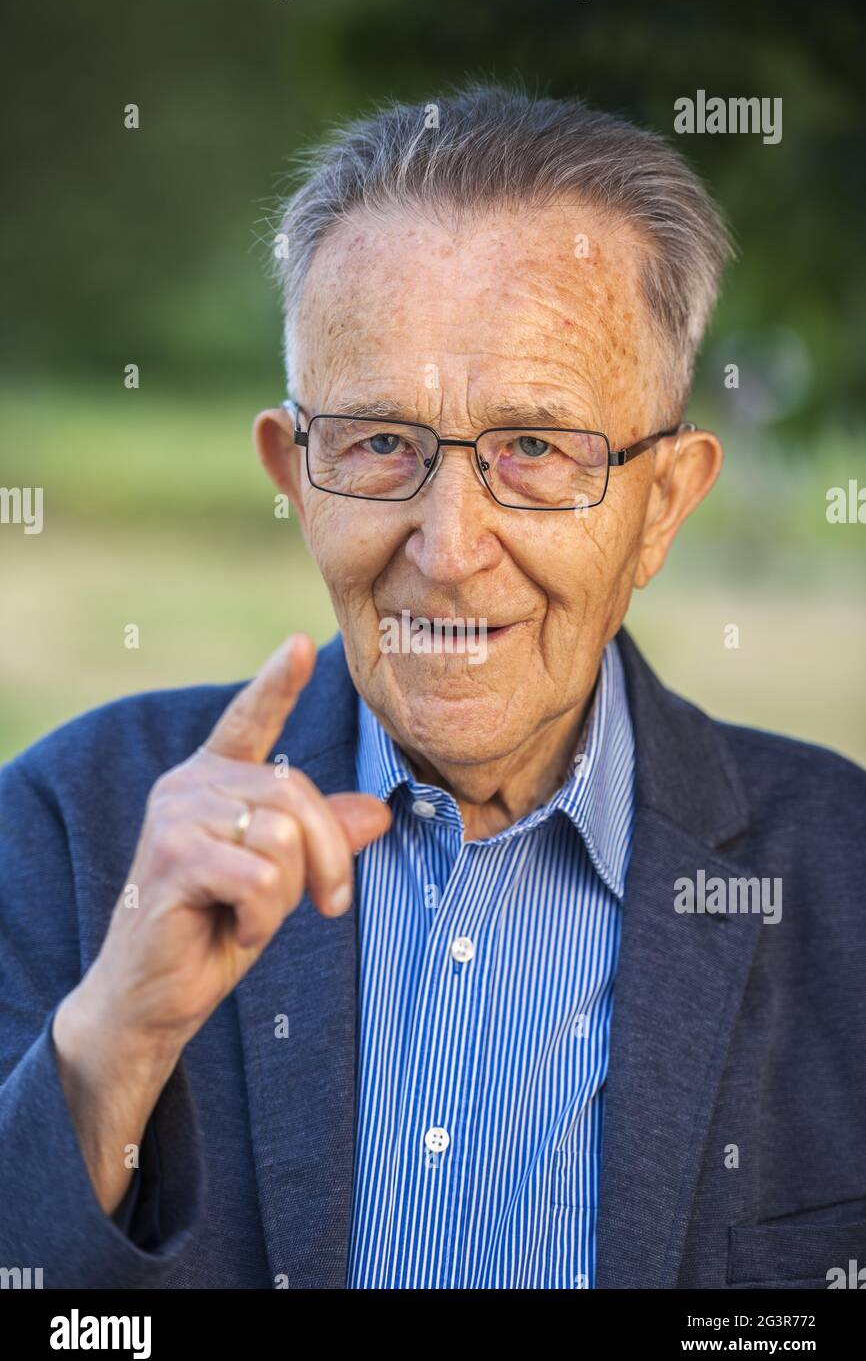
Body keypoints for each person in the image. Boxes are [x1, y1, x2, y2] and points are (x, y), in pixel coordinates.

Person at [1, 85, 864, 1290]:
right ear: (293, 476)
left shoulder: (841, 881)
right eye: (376, 443)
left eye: (534, 447)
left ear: (660, 503)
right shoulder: (62, 832)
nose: (449, 545)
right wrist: (109, 1053)